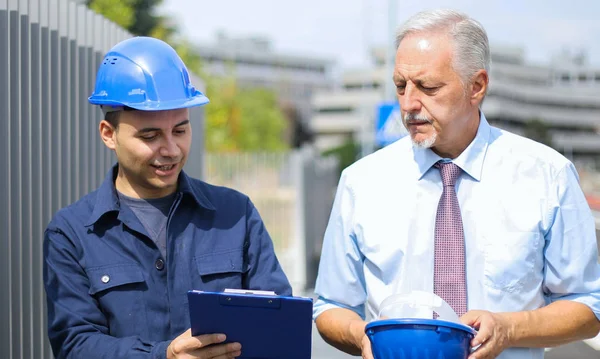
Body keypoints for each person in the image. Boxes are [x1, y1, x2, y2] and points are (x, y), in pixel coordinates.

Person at [313, 9, 600, 359]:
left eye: (428, 87)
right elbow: (330, 305)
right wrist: (362, 335)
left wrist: (509, 328)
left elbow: (587, 307)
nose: (408, 104)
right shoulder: (361, 181)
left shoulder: (546, 175)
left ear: (476, 86)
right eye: (401, 86)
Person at [43, 36, 292, 359]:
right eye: (150, 135)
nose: (171, 150)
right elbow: (74, 345)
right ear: (109, 134)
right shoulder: (72, 233)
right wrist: (164, 355)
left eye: (180, 130)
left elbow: (281, 324)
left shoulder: (235, 214)